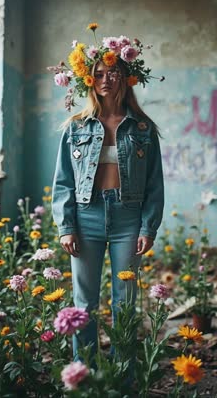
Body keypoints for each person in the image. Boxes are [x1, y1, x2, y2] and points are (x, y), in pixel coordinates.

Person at [50, 25, 164, 371]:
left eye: (113, 72)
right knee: (84, 303)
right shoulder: (76, 127)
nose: (106, 79)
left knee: (125, 302)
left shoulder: (142, 128)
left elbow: (155, 184)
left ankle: (123, 375)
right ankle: (83, 373)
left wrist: (148, 226)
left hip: (129, 219)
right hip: (86, 218)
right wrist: (66, 226)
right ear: (89, 79)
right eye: (99, 73)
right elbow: (63, 181)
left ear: (125, 77)